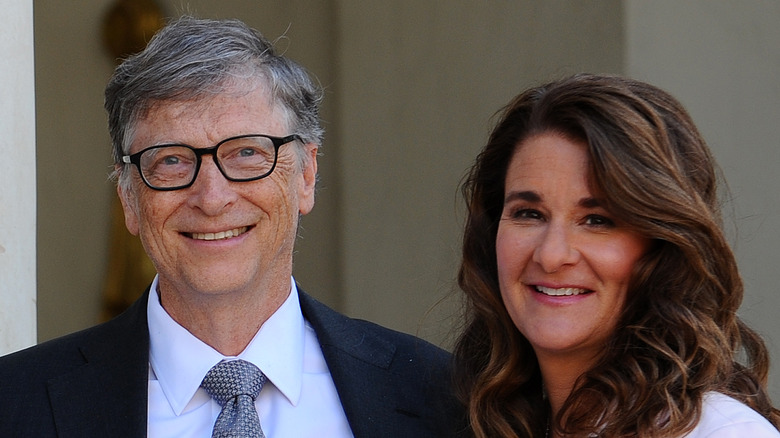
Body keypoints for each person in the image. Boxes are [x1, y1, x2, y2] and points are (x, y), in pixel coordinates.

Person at [0, 17, 461, 437]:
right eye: (172, 161)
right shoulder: (14, 404)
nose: (213, 198)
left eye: (246, 153)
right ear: (129, 198)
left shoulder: (440, 397)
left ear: (305, 176)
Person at [453, 73, 780, 437]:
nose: (551, 255)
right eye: (529, 213)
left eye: (597, 220)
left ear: (664, 246)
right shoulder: (482, 420)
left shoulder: (719, 432)